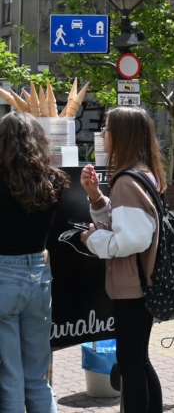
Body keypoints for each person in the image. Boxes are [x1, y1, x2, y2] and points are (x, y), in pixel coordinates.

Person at [81, 107, 167, 413]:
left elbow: (131, 239)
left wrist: (93, 240)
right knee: (139, 361)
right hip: (143, 282)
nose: (103, 134)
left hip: (133, 286)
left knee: (131, 365)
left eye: (107, 128)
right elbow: (127, 223)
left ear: (121, 135)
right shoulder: (143, 174)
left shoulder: (127, 181)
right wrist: (96, 197)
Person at [0, 112, 70, 412]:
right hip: (39, 276)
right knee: (37, 377)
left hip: (4, 275)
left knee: (9, 376)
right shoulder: (53, 180)